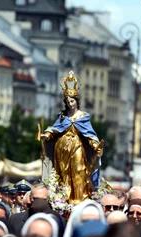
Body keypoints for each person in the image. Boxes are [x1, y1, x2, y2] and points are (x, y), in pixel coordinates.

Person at [41, 71, 103, 204]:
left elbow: (90, 134)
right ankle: (63, 199)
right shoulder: (63, 116)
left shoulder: (83, 117)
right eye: (68, 101)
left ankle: (79, 199)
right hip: (61, 148)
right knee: (62, 175)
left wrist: (94, 145)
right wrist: (47, 134)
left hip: (76, 147)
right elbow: (55, 128)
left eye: (72, 101)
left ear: (77, 101)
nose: (70, 103)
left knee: (79, 171)